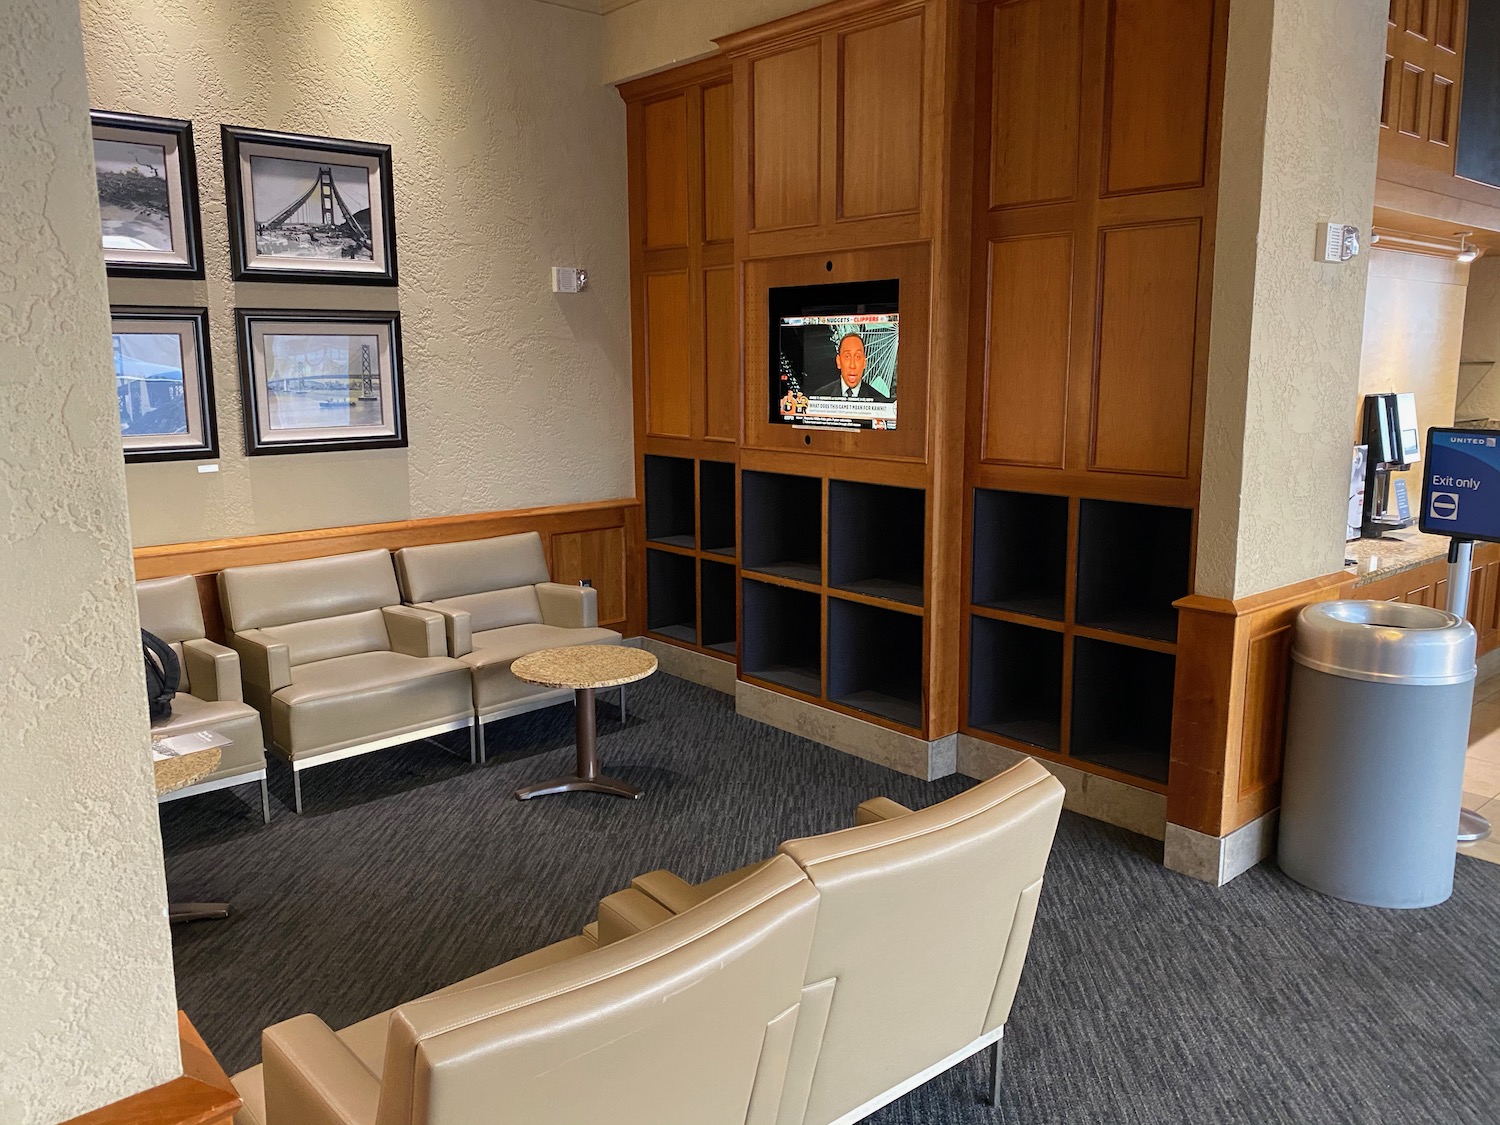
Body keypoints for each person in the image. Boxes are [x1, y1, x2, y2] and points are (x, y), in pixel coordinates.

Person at [811, 332, 888, 401]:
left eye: (857, 357)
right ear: (838, 361)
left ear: (864, 363)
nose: (852, 365)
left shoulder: (879, 400)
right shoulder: (820, 396)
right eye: (847, 356)